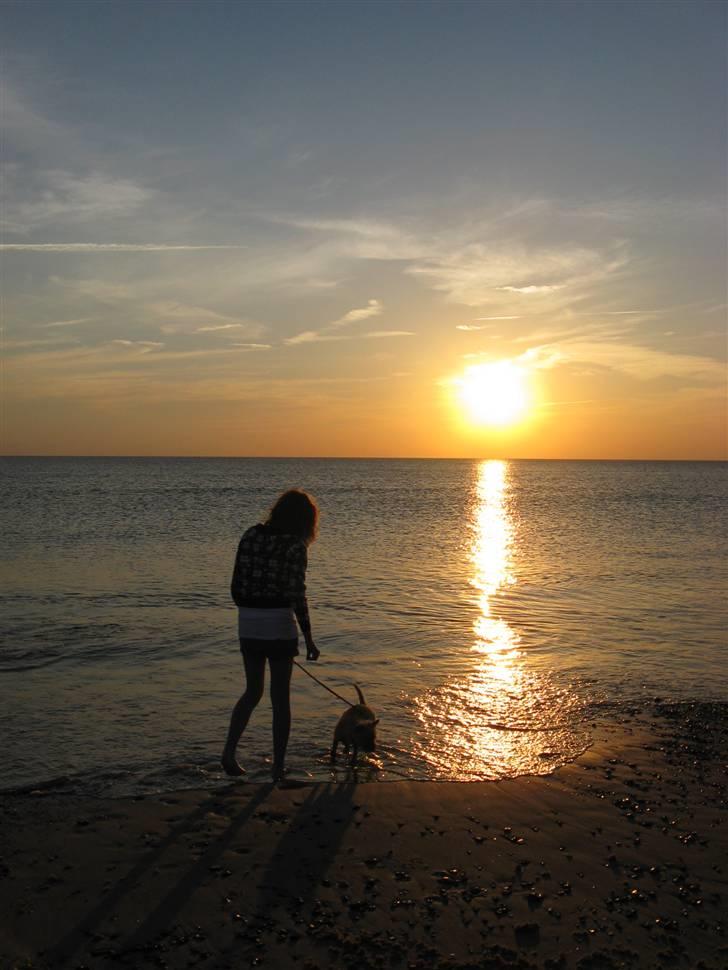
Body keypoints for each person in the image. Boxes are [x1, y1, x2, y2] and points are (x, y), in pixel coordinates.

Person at [222, 489, 320, 781]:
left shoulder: (251, 535)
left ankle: (228, 752)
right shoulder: (295, 545)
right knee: (280, 698)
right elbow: (296, 593)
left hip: (248, 621)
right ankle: (278, 768)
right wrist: (308, 637)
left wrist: (248, 609)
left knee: (252, 691)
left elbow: (236, 582)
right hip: (278, 622)